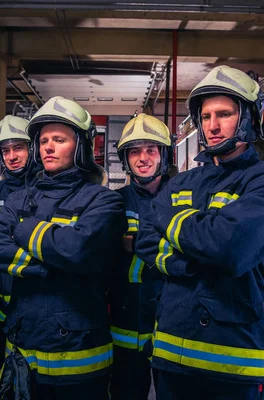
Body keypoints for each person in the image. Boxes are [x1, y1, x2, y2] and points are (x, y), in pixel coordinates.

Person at [135, 66, 264, 399]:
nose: (213, 125)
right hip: (171, 355)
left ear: (248, 118)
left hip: (236, 361)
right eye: (205, 116)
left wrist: (174, 223)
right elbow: (147, 240)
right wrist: (191, 261)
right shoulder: (181, 183)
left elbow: (230, 249)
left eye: (224, 114)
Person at [0, 96, 127, 400]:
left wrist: (22, 229)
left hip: (79, 355)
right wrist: (48, 264)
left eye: (59, 139)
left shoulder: (104, 201)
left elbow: (78, 250)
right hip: (22, 346)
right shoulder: (20, 198)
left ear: (81, 147)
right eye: (43, 140)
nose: (48, 147)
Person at [108, 113, 176, 400]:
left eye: (151, 150)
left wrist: (131, 242)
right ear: (126, 159)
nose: (143, 158)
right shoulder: (113, 201)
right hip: (125, 319)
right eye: (135, 151)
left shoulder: (182, 197)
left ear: (164, 154)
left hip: (173, 319)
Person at [0, 115, 39, 386]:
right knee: (0, 369)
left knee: (34, 370)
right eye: (6, 150)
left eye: (19, 148)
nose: (12, 156)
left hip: (33, 293)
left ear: (31, 149)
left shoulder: (44, 190)